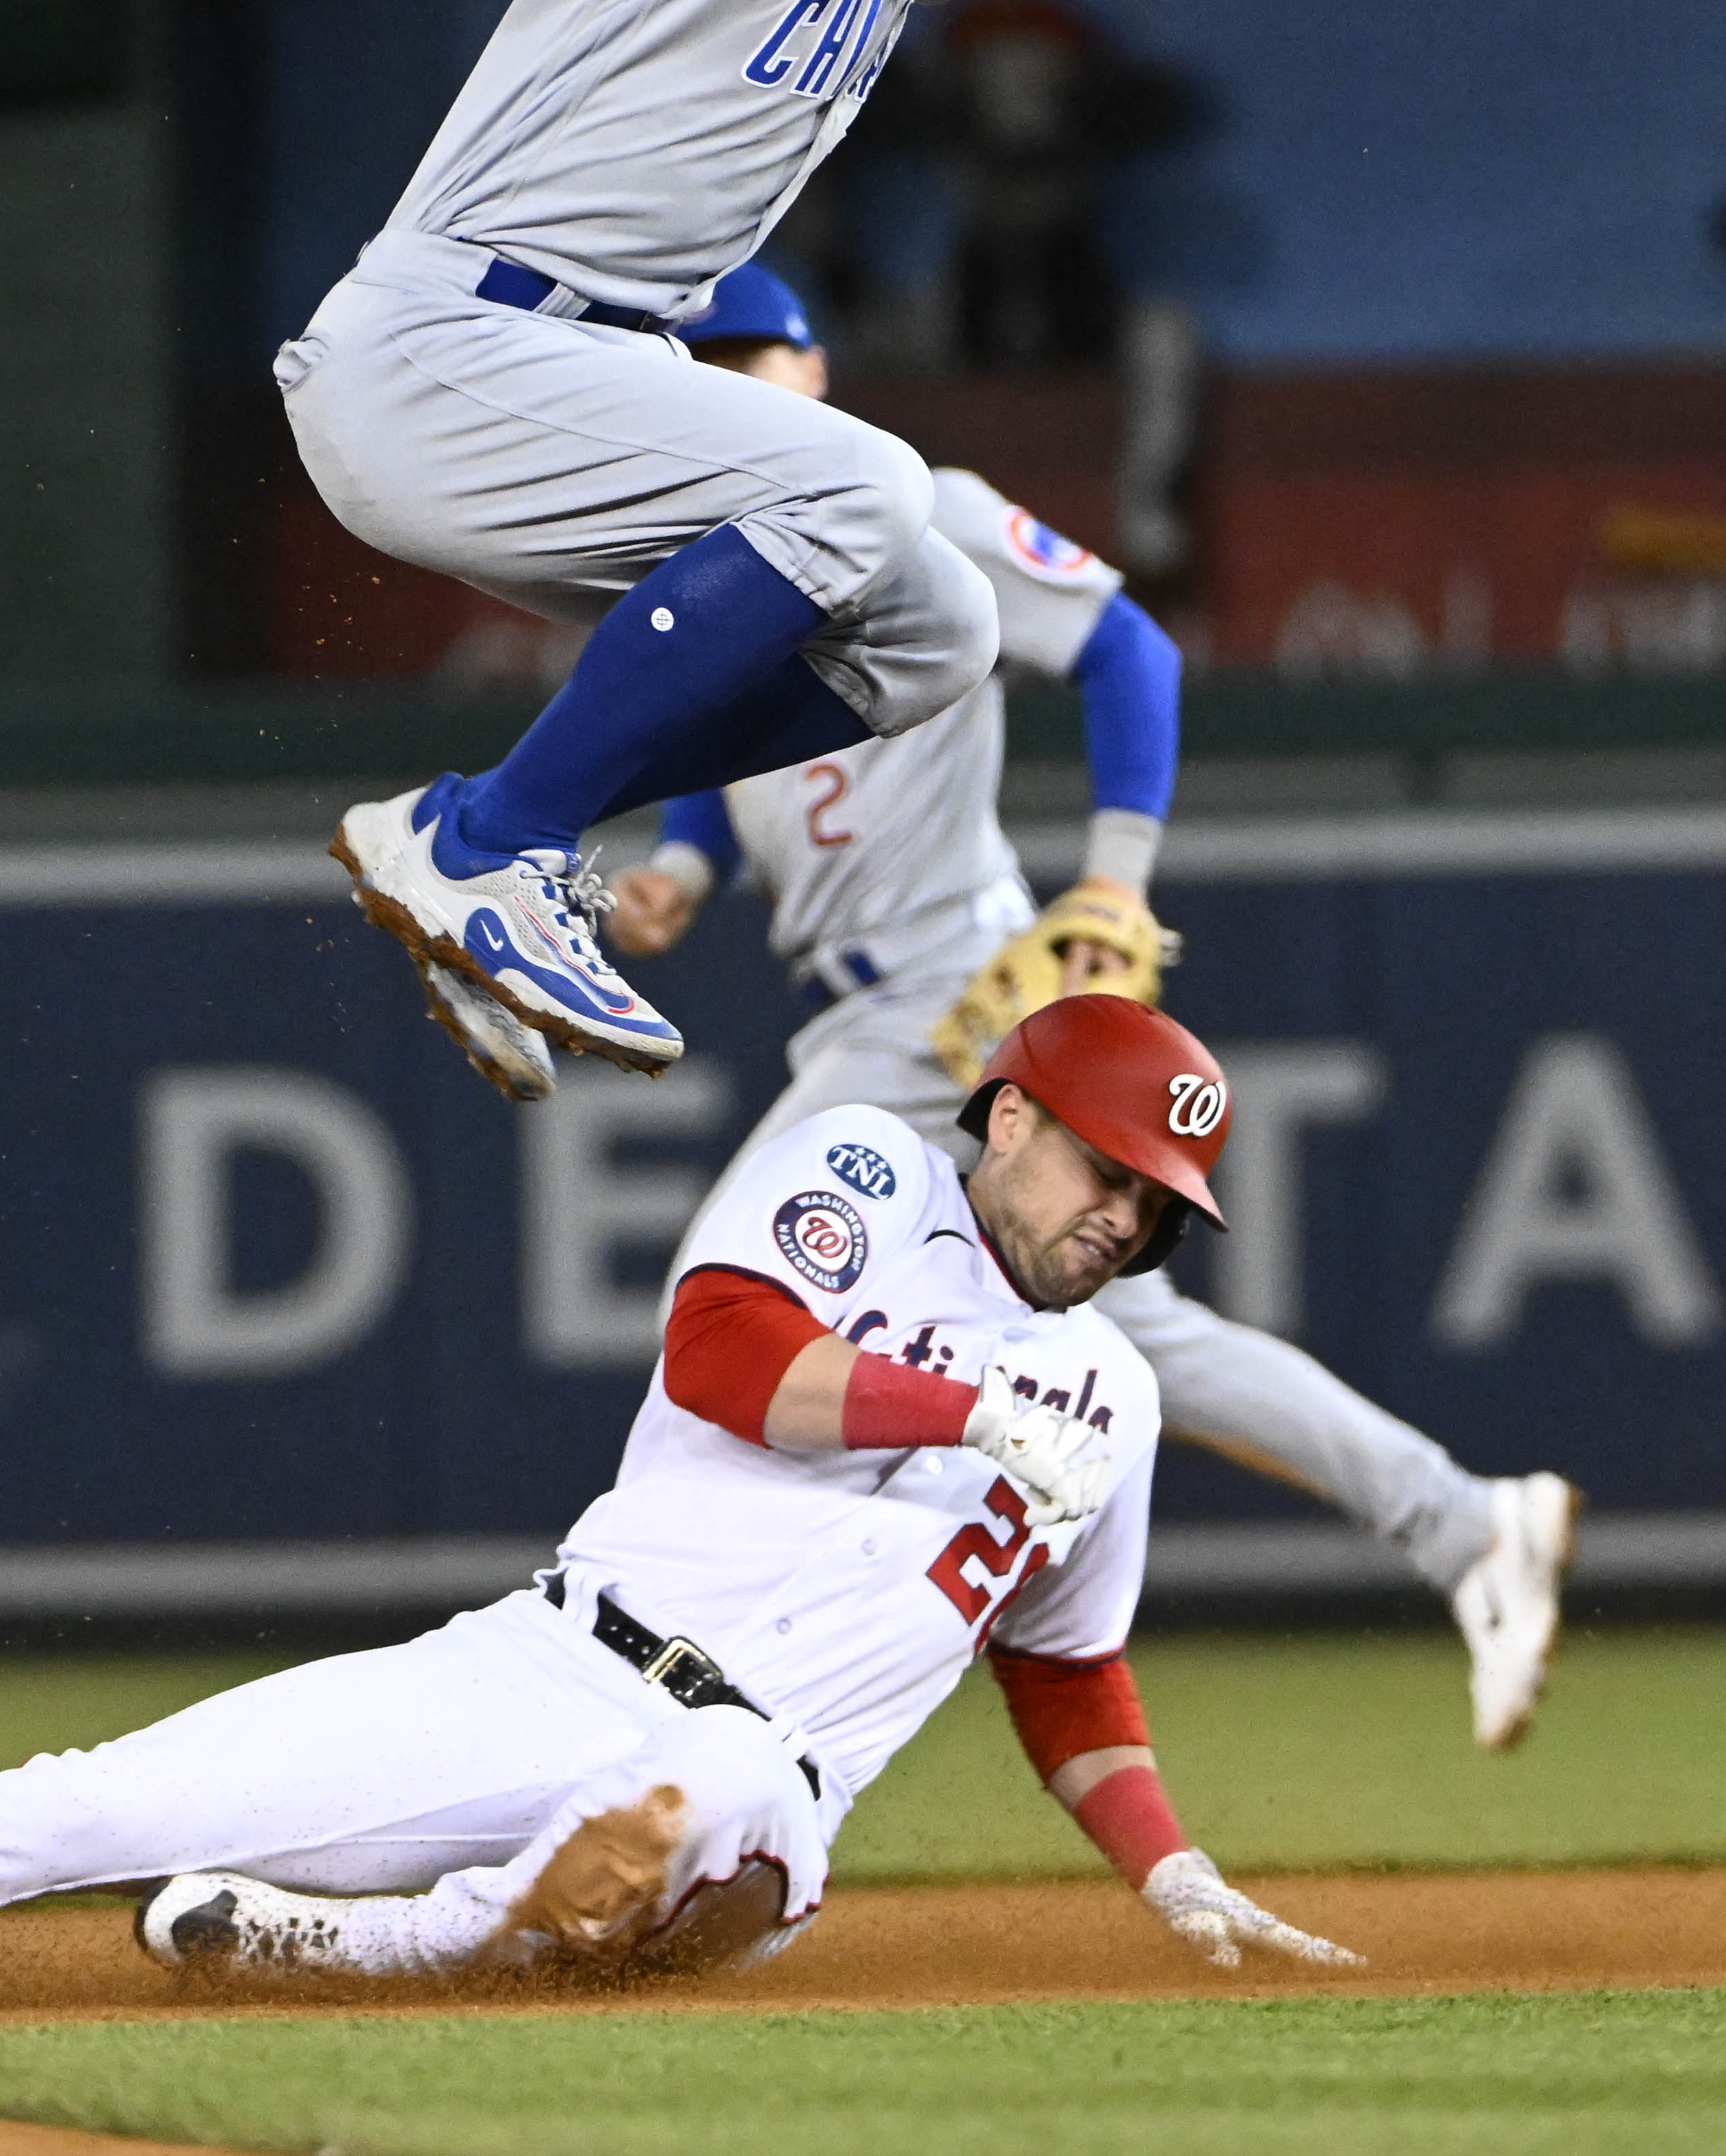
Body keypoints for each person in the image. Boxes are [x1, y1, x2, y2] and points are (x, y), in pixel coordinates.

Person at [0, 1000, 1357, 2001]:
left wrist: (1169, 1864)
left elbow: (1067, 1669)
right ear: (1013, 1118)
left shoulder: (1110, 1394)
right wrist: (957, 1400)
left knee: (707, 1801)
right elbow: (721, 1362)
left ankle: (371, 1946)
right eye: (1106, 1173)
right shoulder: (860, 1164)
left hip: (761, 1773)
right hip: (541, 1660)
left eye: (1153, 1212)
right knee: (81, 1798)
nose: (1121, 1221)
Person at [302, 0, 1354, 1088]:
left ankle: (475, 829)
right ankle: (499, 843)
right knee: (861, 479)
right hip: (443, 353)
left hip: (550, 379)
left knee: (937, 627)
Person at [605, 265, 1578, 1752]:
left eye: (761, 352)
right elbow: (740, 758)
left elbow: (1128, 646)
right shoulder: (723, 564)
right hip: (858, 1009)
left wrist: (1115, 880)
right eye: (709, 359)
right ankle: (1462, 1521)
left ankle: (646, 1670)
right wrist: (681, 858)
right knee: (1134, 1339)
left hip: (950, 994)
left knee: (723, 1312)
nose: (738, 379)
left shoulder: (909, 503)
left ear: (813, 366)